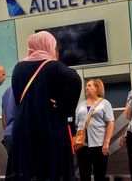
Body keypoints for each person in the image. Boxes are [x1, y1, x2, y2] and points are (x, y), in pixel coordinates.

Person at [11, 31, 82, 180]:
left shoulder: (18, 68)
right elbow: (75, 79)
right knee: (52, 168)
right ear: (49, 45)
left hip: (24, 125)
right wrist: (63, 107)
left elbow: (19, 98)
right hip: (49, 124)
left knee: (28, 169)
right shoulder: (54, 66)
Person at [75, 78, 115, 181]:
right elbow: (77, 123)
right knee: (84, 175)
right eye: (86, 86)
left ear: (97, 88)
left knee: (100, 175)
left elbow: (110, 123)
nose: (86, 88)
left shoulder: (105, 103)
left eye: (89, 85)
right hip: (82, 145)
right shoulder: (81, 104)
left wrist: (106, 143)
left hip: (99, 145)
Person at [1, 86, 16, 180]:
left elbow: (3, 115)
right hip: (19, 134)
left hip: (8, 135)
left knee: (13, 168)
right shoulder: (23, 89)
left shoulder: (6, 92)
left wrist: (6, 130)